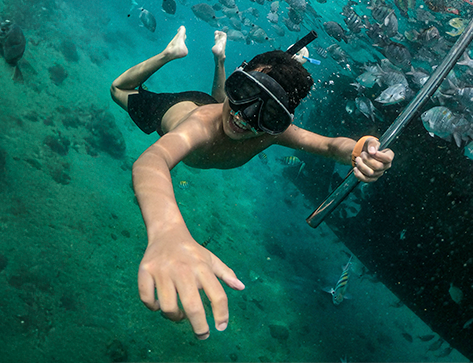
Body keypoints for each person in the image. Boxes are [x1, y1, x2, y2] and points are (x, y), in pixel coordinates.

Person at [110, 26, 394, 340]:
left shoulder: (268, 131)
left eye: (268, 113)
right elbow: (153, 161)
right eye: (243, 92)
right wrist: (167, 231)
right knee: (119, 88)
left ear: (279, 122)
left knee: (221, 103)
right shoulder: (198, 129)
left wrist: (362, 148)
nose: (245, 118)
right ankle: (171, 53)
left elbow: (329, 146)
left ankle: (220, 60)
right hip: (182, 108)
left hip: (217, 103)